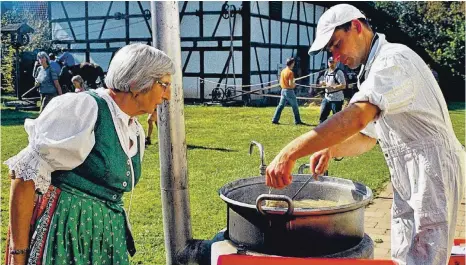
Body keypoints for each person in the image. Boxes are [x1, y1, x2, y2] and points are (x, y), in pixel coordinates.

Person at [265, 4, 464, 265]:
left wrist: (290, 152)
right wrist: (331, 149)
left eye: (337, 44)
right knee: (405, 255)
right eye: (330, 51)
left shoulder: (393, 60)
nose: (335, 56)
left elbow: (356, 117)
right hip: (410, 174)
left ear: (356, 27)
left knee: (426, 259)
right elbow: (368, 136)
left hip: (433, 171)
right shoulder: (373, 73)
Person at [4, 43, 175, 265]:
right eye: (164, 85)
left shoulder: (134, 129)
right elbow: (25, 177)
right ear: (137, 83)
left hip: (104, 239)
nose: (168, 95)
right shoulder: (85, 108)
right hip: (65, 236)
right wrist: (18, 254)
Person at [271, 57, 304, 125]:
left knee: (280, 106)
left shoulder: (283, 71)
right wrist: (295, 85)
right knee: (295, 106)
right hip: (289, 91)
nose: (294, 64)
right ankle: (297, 121)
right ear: (292, 63)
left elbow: (280, 81)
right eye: (294, 63)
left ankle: (275, 119)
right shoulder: (290, 72)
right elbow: (290, 84)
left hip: (283, 90)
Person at [317, 56, 347, 123]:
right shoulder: (326, 72)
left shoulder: (339, 72)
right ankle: (321, 131)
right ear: (328, 63)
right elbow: (326, 82)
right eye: (330, 62)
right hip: (327, 98)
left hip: (336, 99)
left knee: (337, 119)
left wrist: (333, 87)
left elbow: (343, 85)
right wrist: (322, 83)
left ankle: (338, 131)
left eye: (333, 62)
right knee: (322, 117)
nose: (331, 64)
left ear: (336, 63)